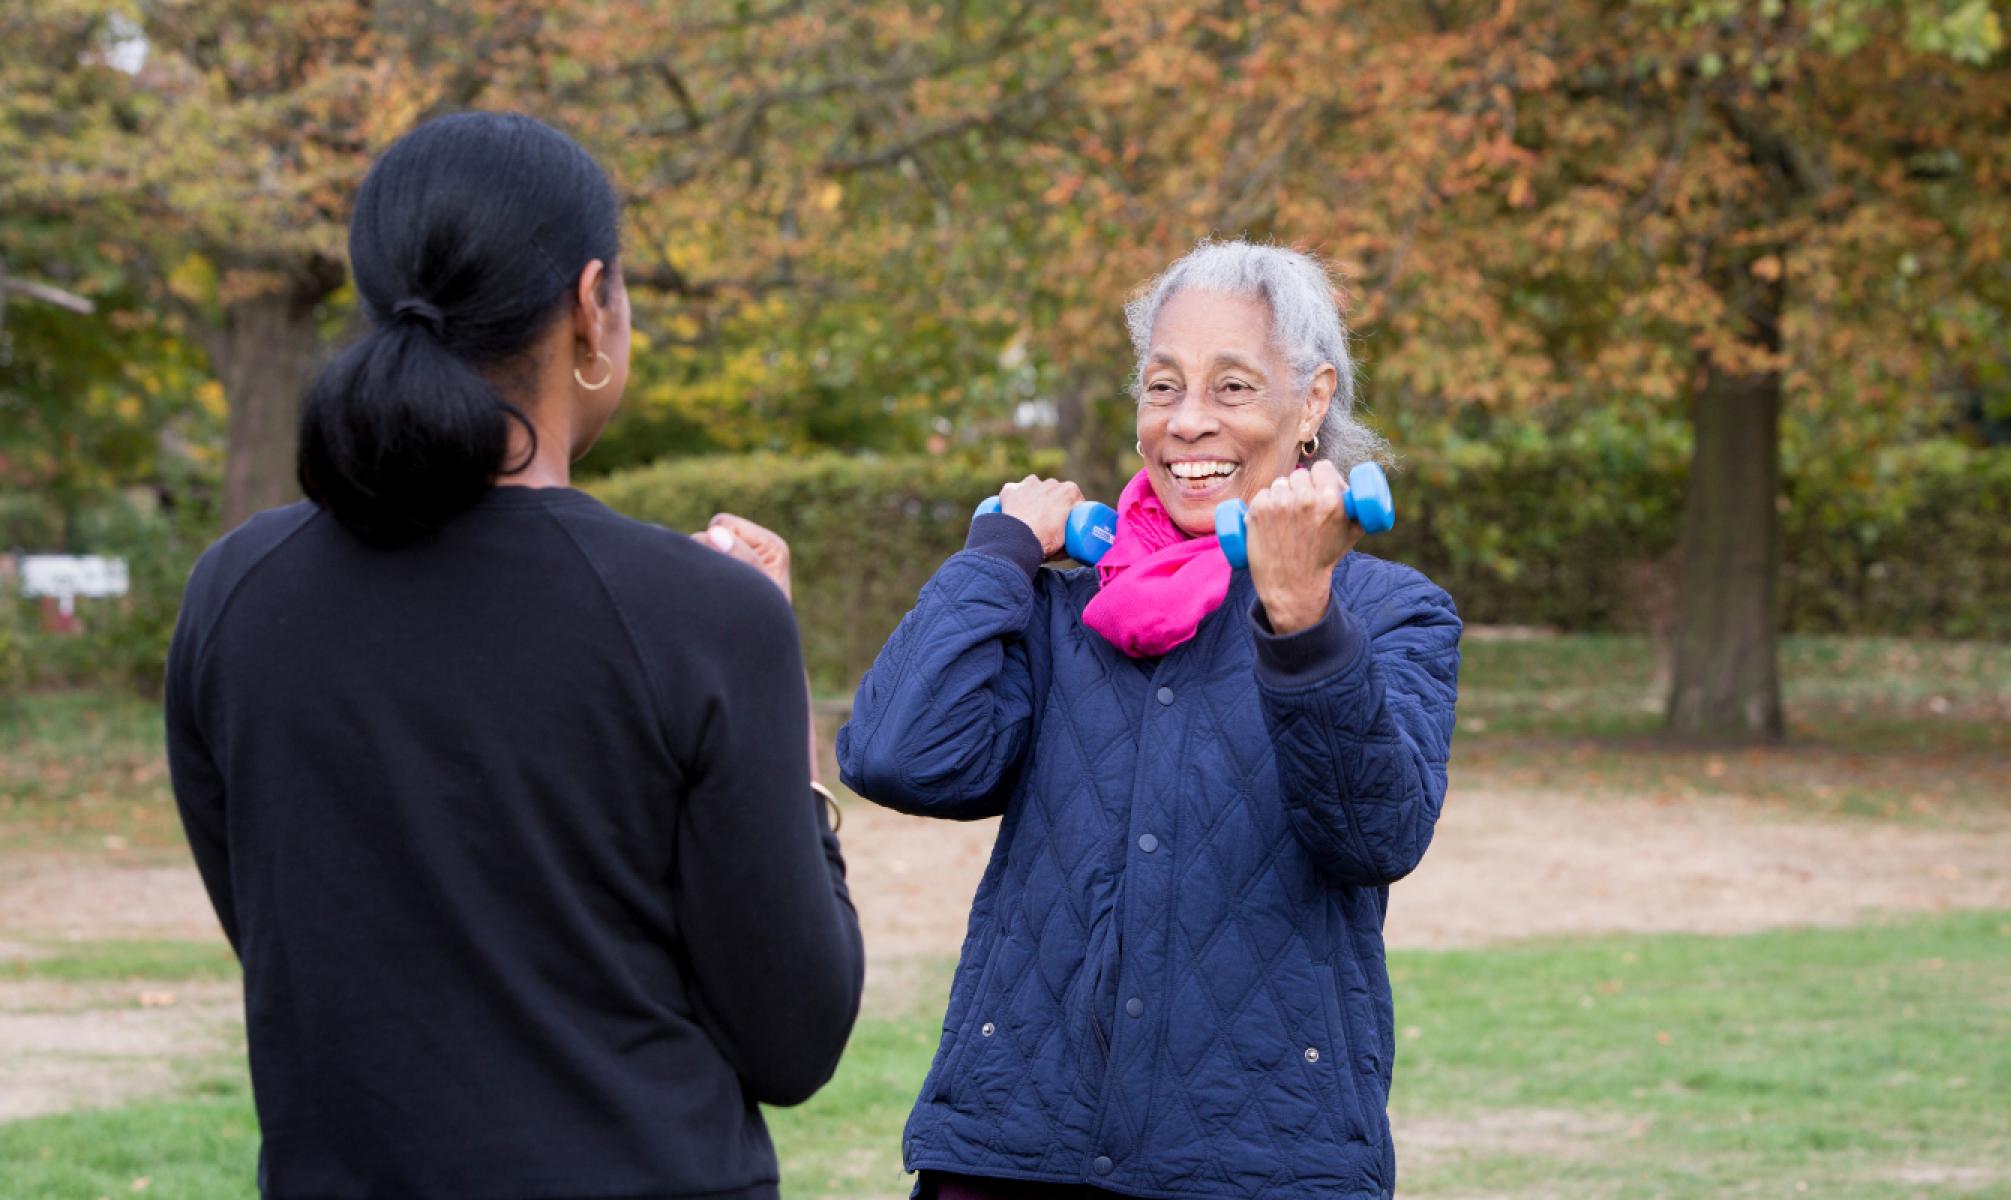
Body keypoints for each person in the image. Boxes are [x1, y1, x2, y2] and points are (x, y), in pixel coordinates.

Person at [164, 111, 862, 1199]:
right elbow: (795, 1038)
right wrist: (795, 742)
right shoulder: (705, 616)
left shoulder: (236, 593)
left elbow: (283, 946)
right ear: (591, 308)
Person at [837, 241, 1462, 1200]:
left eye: (1233, 385)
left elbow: (1376, 831)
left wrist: (1300, 617)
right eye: (1161, 386)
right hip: (1014, 1151)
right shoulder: (1062, 605)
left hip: (1261, 1159)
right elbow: (896, 758)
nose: (1188, 422)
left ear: (1311, 403)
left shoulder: (1384, 613)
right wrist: (995, 558)